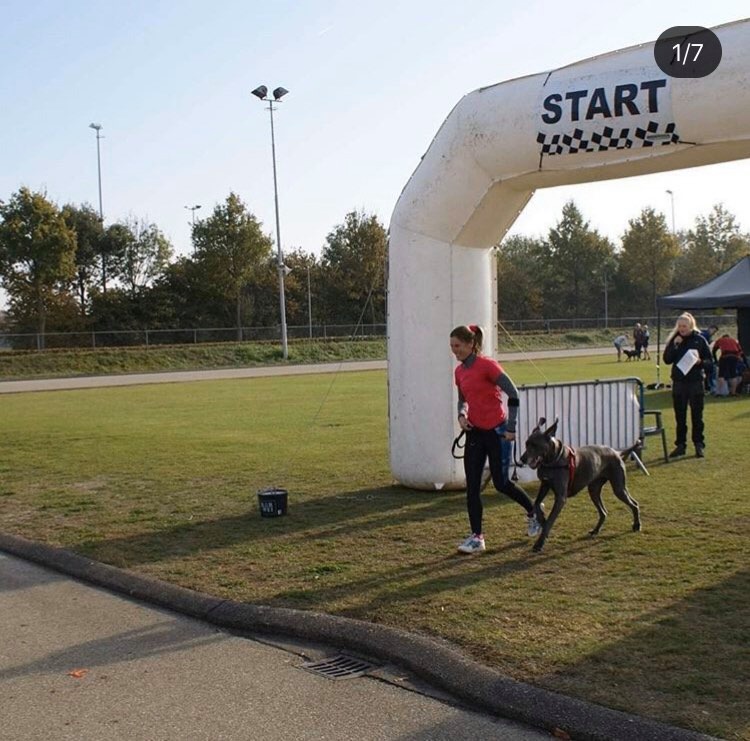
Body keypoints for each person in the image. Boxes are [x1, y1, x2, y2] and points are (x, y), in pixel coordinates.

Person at [450, 324, 541, 554]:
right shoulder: (459, 372)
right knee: (472, 487)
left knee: (501, 484)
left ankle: (533, 512)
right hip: (474, 433)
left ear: (470, 344)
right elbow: (462, 400)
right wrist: (461, 415)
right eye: (451, 347)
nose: (454, 351)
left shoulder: (487, 366)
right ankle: (477, 537)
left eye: (457, 346)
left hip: (497, 432)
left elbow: (513, 393)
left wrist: (511, 428)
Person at [662, 313, 712, 458]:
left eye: (684, 326)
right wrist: (675, 345)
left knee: (697, 416)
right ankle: (680, 445)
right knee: (680, 416)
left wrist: (700, 362)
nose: (682, 329)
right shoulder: (675, 340)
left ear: (691, 326)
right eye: (679, 326)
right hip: (679, 383)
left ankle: (699, 444)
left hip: (695, 383)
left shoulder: (700, 340)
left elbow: (710, 363)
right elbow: (667, 360)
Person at [699, 324, 720, 392]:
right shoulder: (706, 335)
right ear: (710, 328)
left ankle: (706, 386)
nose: (714, 333)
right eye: (714, 331)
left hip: (701, 355)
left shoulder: (702, 333)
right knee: (709, 371)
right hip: (703, 356)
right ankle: (709, 386)